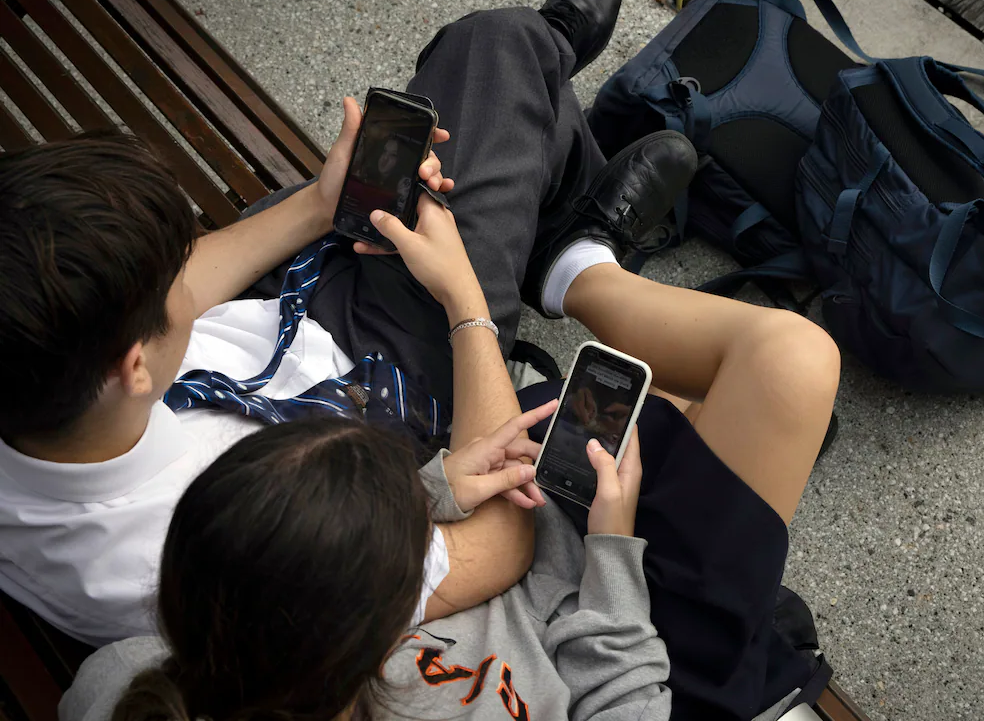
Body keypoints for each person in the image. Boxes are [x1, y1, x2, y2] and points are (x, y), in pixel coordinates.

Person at [0, 0, 698, 646]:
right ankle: (565, 200)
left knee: (474, 88)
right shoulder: (226, 556)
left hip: (282, 309)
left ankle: (554, 184)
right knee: (499, 49)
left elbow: (178, 289)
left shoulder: (49, 386)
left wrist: (319, 205)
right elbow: (494, 549)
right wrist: (466, 305)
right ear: (131, 367)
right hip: (380, 395)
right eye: (167, 282)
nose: (187, 264)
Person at [61, 192, 841, 720]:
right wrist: (612, 552)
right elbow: (629, 702)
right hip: (628, 640)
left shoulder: (130, 676)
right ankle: (584, 266)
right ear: (376, 639)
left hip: (549, 544)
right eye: (413, 552)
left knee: (700, 404)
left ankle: (583, 271)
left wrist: (440, 488)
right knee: (786, 368)